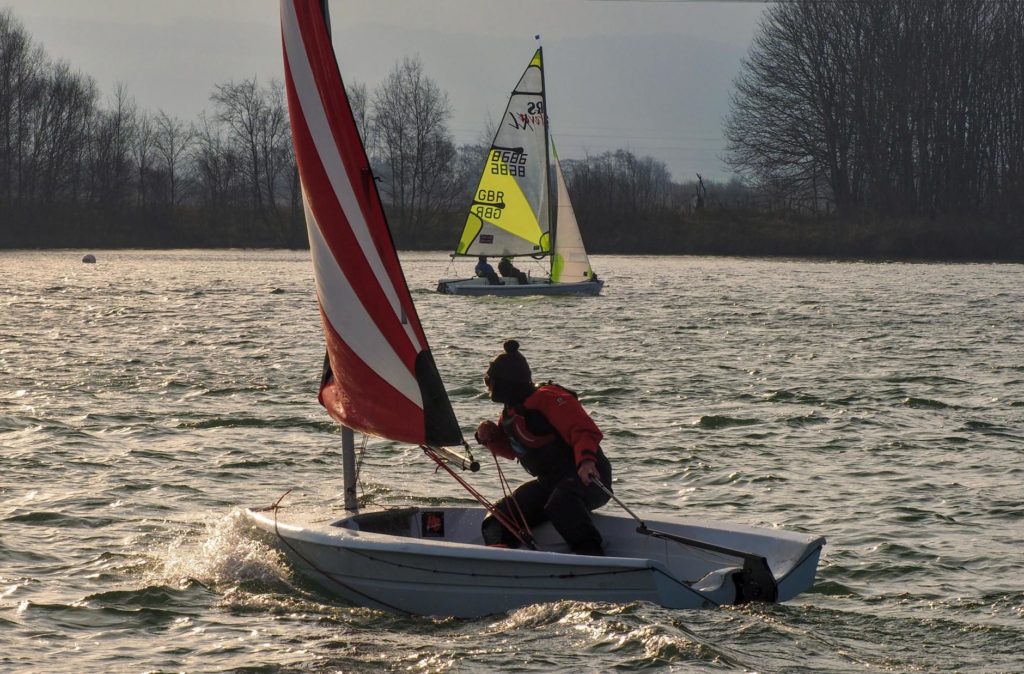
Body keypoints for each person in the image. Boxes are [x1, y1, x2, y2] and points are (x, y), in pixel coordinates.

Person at [475, 340, 612, 555]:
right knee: (499, 517)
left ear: (504, 382)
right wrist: (489, 437)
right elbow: (513, 452)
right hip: (550, 483)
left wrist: (586, 461)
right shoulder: (510, 414)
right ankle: (504, 560)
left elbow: (584, 430)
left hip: (589, 478)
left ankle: (592, 556)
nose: (488, 386)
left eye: (488, 381)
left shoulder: (548, 398)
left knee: (561, 503)